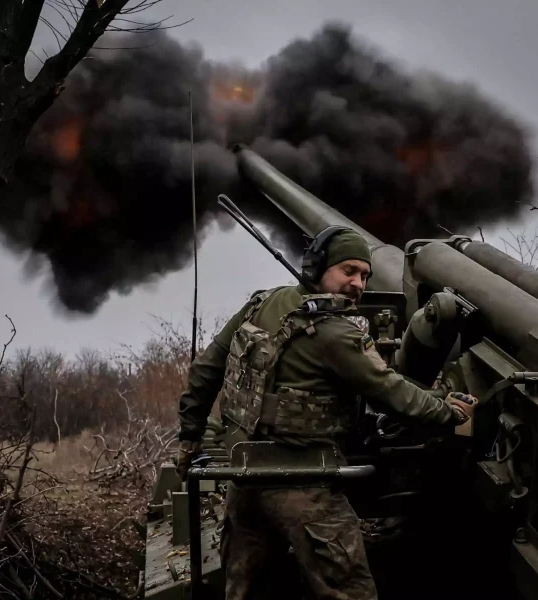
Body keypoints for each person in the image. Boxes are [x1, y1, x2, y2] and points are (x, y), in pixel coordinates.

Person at [175, 226, 477, 600]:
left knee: (245, 590)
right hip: (305, 486)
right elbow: (391, 393)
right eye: (348, 271)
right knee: (349, 591)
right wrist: (447, 411)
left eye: (364, 275)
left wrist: (189, 437)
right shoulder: (336, 332)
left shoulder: (261, 304)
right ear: (317, 268)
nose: (358, 284)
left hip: (245, 478)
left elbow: (206, 369)